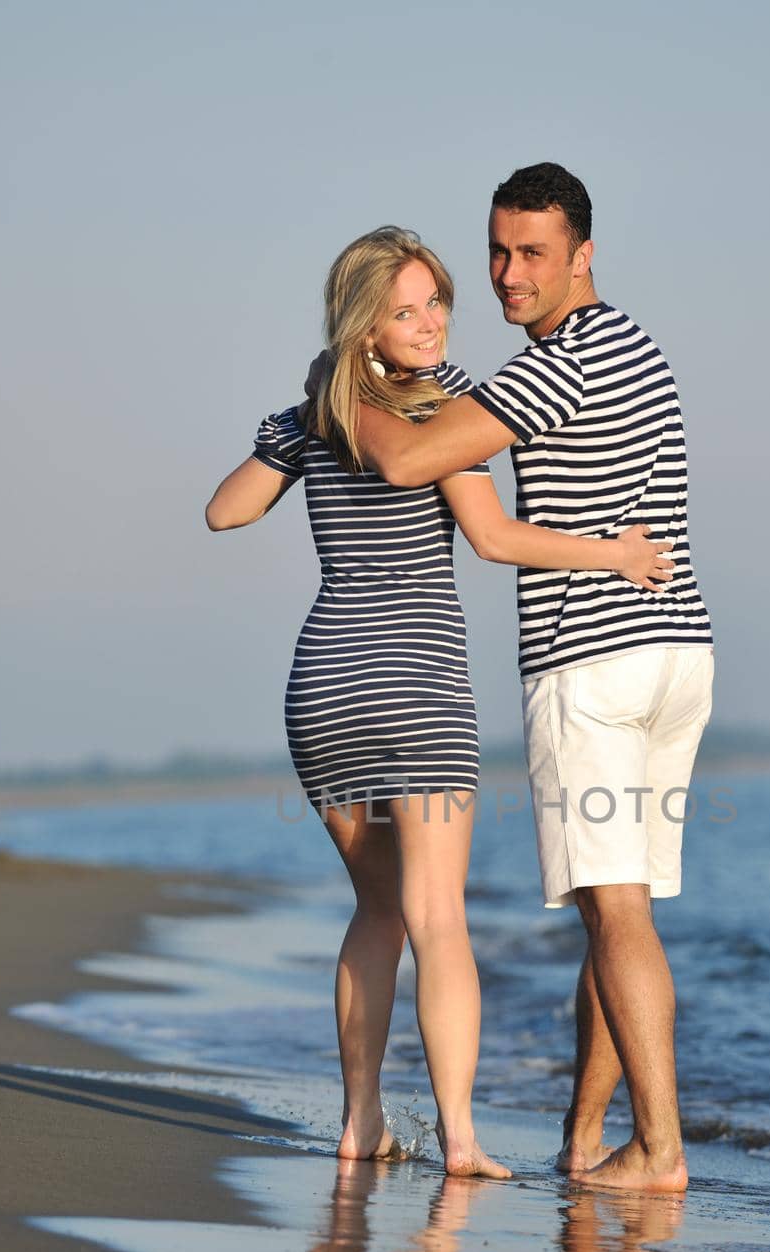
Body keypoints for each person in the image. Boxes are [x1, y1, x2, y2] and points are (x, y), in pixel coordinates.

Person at [205, 226, 673, 1182]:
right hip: (414, 679)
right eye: (406, 310)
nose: (430, 325)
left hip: (325, 684)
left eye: (436, 305)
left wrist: (305, 419)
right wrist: (617, 555)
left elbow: (226, 510)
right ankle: (459, 1141)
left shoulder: (308, 417)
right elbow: (494, 539)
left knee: (375, 911)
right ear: (365, 324)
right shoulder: (441, 406)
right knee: (437, 916)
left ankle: (359, 1123)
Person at [340, 167, 715, 1194]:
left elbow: (415, 466)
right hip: (676, 652)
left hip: (590, 661)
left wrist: (351, 388)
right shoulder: (637, 344)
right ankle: (587, 1138)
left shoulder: (547, 369)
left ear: (582, 253)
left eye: (532, 254)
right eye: (498, 251)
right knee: (618, 909)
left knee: (615, 912)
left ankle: (660, 1150)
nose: (508, 274)